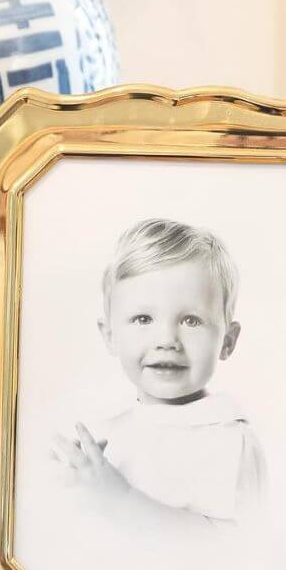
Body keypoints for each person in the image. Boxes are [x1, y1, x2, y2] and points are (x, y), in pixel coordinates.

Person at [51, 217, 266, 523]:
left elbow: (233, 553)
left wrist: (119, 499)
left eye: (191, 320)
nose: (167, 340)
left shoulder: (229, 441)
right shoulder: (107, 433)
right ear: (110, 336)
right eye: (143, 319)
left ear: (227, 341)